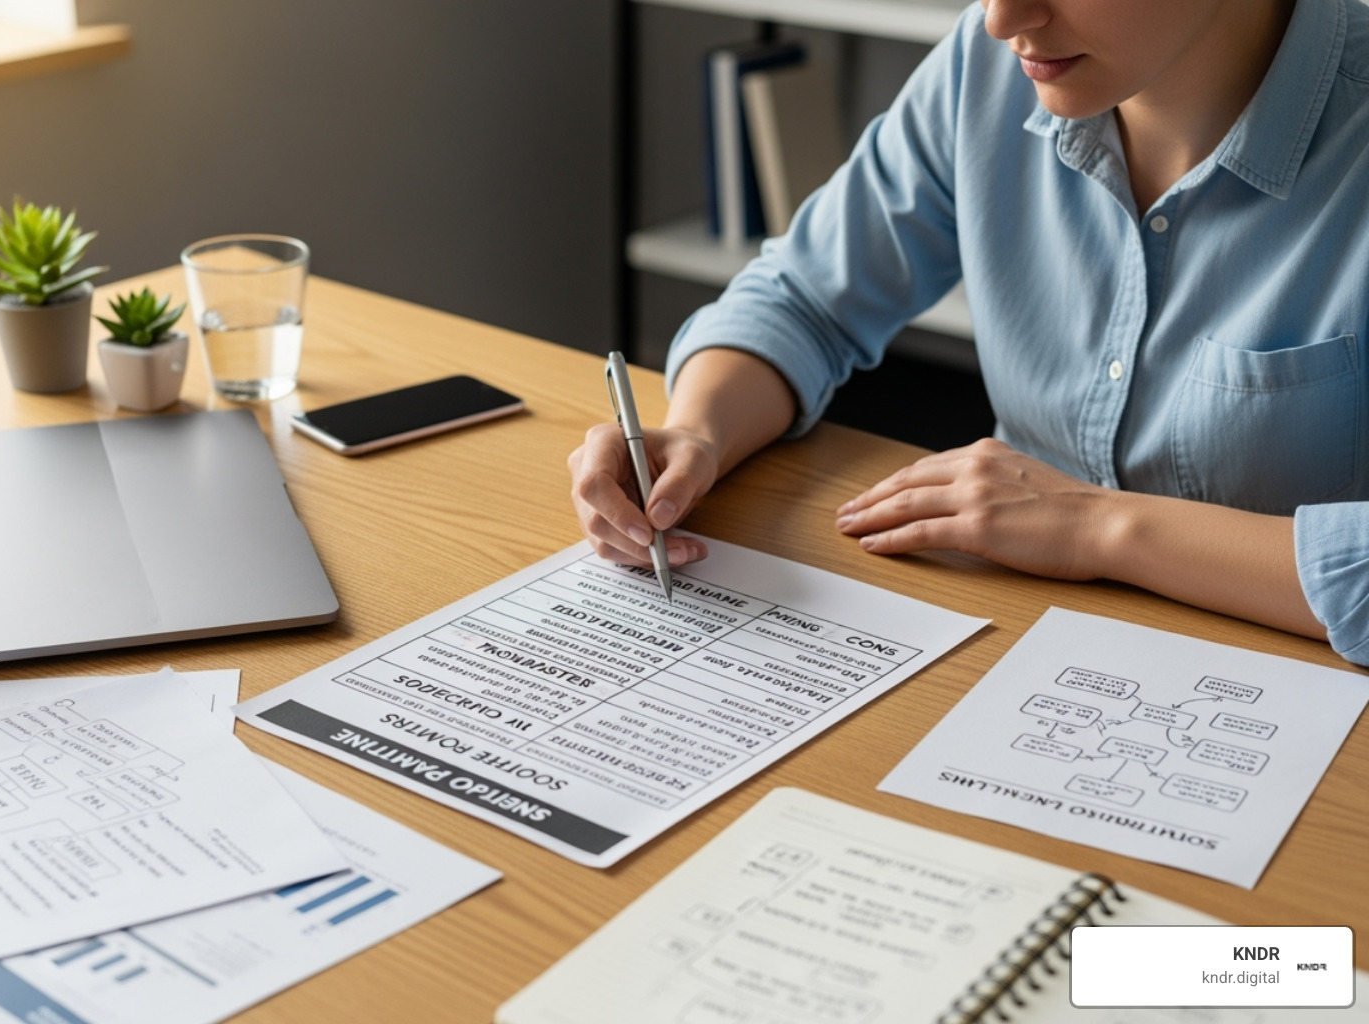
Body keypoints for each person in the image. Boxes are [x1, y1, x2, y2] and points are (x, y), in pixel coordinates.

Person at [569, 0, 1369, 666]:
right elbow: (804, 296)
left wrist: (1097, 527)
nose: (1000, 20)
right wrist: (697, 432)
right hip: (1014, 638)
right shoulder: (988, 68)